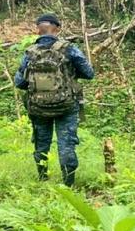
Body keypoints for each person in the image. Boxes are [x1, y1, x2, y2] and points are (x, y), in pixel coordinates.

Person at [14, 14, 94, 186]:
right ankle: (68, 184)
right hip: (66, 106)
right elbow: (89, 73)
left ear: (38, 29)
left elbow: (19, 83)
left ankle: (43, 179)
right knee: (66, 145)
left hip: (38, 107)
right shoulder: (69, 49)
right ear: (57, 28)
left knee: (41, 144)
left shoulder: (30, 53)